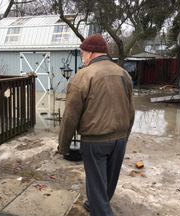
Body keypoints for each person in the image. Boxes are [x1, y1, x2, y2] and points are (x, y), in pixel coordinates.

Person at [58, 34, 135, 216]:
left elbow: (70, 116)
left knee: (97, 181)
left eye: (83, 53)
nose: (83, 57)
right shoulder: (123, 74)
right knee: (106, 183)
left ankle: (100, 209)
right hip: (120, 140)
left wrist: (64, 146)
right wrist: (125, 136)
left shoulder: (82, 76)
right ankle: (95, 204)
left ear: (91, 53)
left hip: (95, 142)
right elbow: (131, 110)